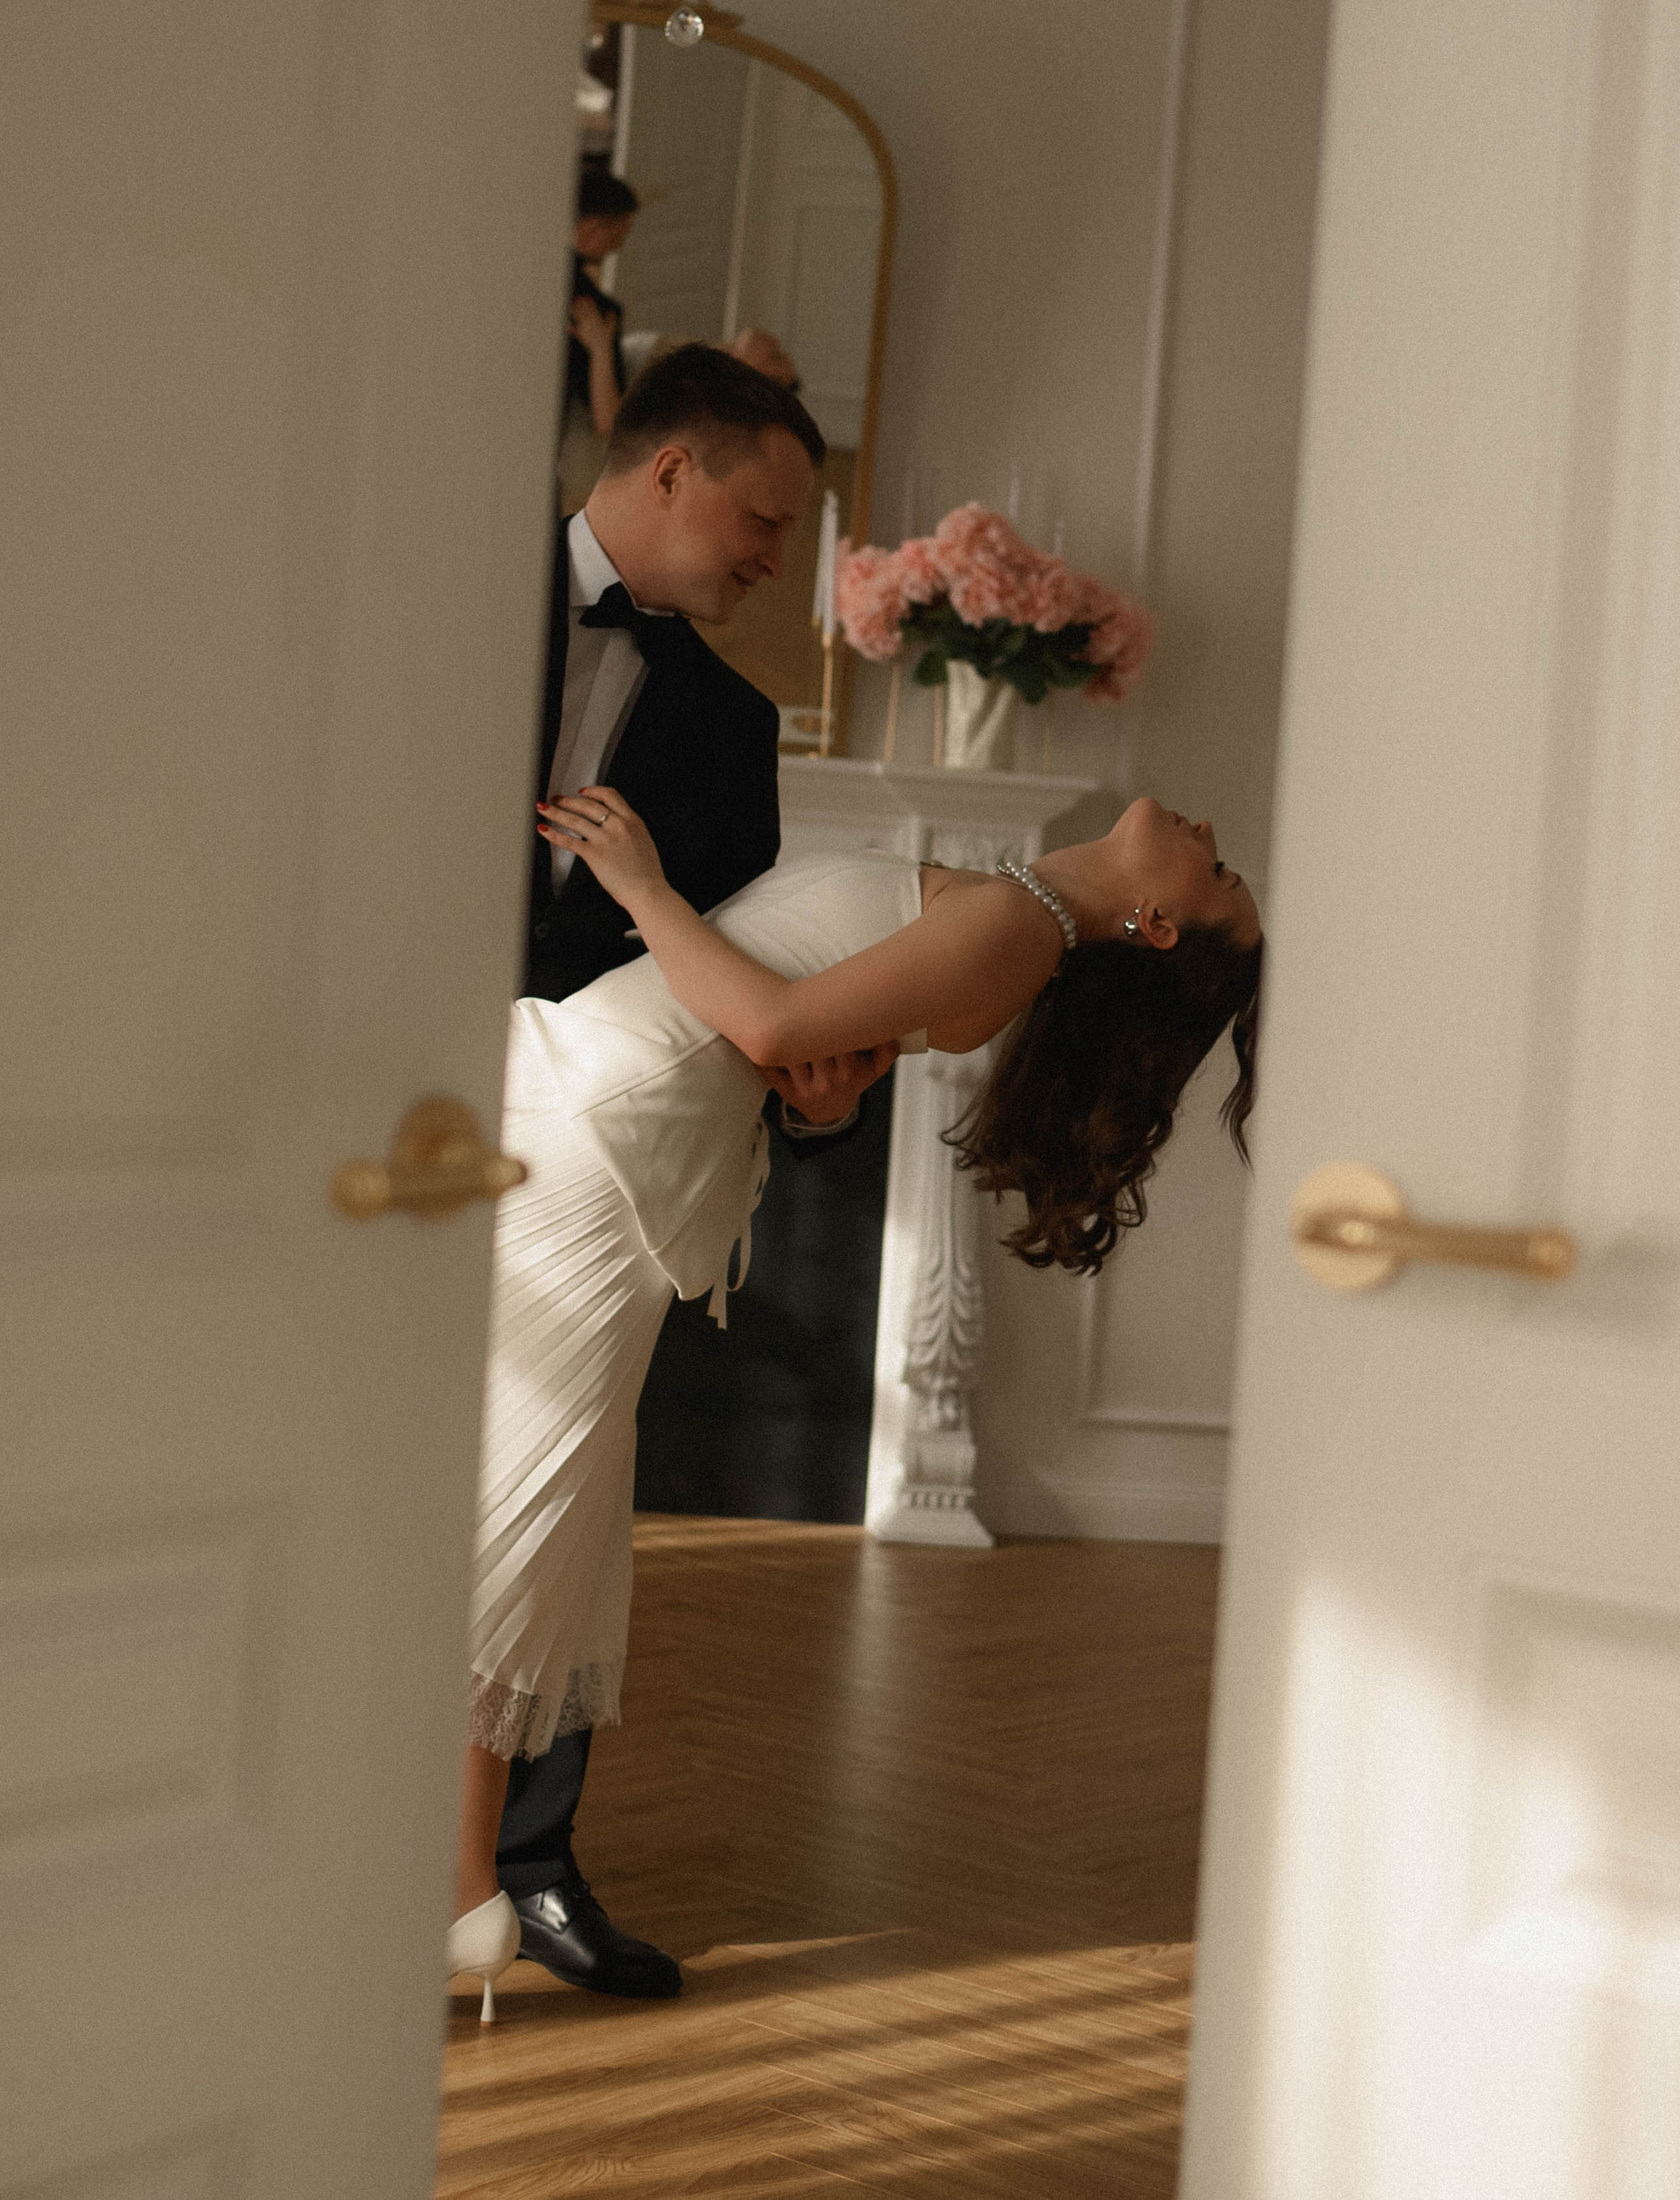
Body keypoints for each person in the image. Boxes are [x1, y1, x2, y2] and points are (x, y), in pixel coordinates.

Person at [446, 790, 1262, 2013]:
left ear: (1154, 924)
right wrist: (815, 1095)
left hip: (600, 1126)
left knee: (503, 1511)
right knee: (512, 1502)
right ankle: (461, 1887)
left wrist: (642, 886)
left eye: (1220, 872)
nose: (1206, 832)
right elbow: (796, 1045)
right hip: (610, 1106)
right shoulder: (1012, 919)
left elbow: (770, 1020)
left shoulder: (1019, 926)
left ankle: (455, 1887)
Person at [490, 341, 888, 2006]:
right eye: (766, 519)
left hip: (581, 1159)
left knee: (571, 1493)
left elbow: (730, 996)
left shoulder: (731, 727)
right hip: (382, 1127)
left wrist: (817, 1105)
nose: (779, 561)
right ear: (669, 470)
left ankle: (528, 1866)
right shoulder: (438, 596)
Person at [560, 167, 639, 515]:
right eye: (619, 234)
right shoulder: (596, 310)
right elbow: (608, 420)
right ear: (594, 227)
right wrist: (602, 348)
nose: (619, 246)